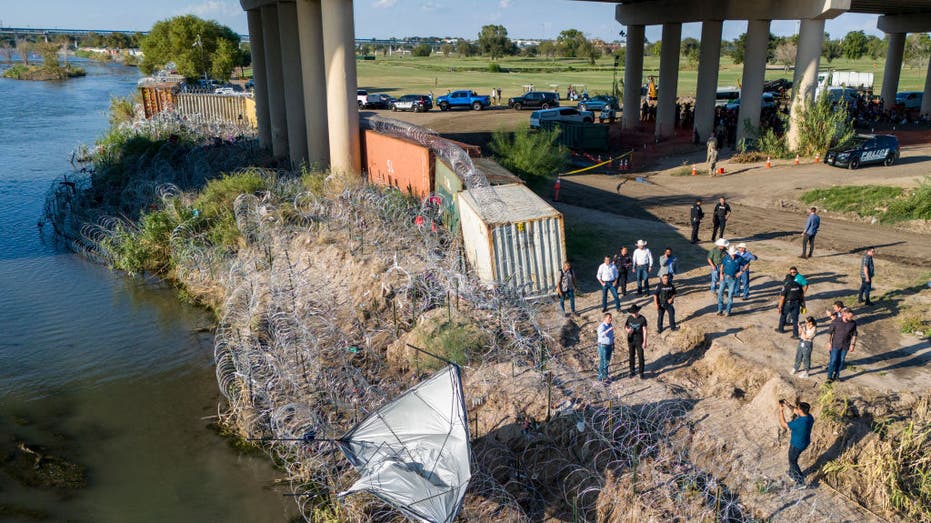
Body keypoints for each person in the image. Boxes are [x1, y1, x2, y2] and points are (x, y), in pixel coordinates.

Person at [778, 400, 814, 488]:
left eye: (798, 408)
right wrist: (787, 404)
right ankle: (791, 473)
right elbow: (795, 410)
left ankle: (800, 482)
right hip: (804, 442)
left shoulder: (799, 423)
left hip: (796, 445)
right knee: (794, 459)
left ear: (801, 411)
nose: (796, 409)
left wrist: (781, 411)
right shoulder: (809, 417)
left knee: (792, 461)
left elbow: (783, 424)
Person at [826, 308, 858, 382]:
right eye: (849, 317)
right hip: (835, 344)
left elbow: (855, 334)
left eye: (851, 317)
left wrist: (853, 344)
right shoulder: (836, 322)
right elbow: (830, 332)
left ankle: (836, 376)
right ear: (844, 314)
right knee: (833, 360)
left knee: (841, 361)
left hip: (845, 345)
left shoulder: (853, 323)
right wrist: (829, 342)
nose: (850, 318)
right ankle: (829, 377)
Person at [777, 267, 806, 338]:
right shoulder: (799, 285)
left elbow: (782, 297)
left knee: (783, 316)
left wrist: (780, 306)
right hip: (797, 303)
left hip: (788, 304)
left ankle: (781, 329)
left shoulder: (786, 286)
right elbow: (802, 296)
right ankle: (795, 335)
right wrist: (804, 305)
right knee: (795, 319)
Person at [716, 246, 743, 317]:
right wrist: (721, 274)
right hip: (724, 277)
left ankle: (728, 311)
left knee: (730, 295)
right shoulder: (726, 258)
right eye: (731, 253)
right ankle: (720, 310)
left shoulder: (739, 258)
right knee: (720, 293)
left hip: (733, 279)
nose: (732, 255)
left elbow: (747, 264)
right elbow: (722, 266)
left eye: (733, 253)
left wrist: (741, 272)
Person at [625, 303, 648, 378]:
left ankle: (641, 372)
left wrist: (644, 341)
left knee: (640, 356)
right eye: (632, 313)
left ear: (637, 311)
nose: (633, 314)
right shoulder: (629, 318)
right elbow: (625, 326)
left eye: (635, 312)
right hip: (631, 339)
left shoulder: (642, 319)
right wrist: (628, 330)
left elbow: (644, 330)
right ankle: (632, 371)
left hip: (639, 340)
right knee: (631, 355)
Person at [596, 313, 615, 383]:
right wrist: (608, 330)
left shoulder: (610, 325)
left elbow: (612, 336)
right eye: (609, 318)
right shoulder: (602, 326)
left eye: (611, 317)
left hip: (609, 345)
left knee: (607, 361)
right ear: (605, 319)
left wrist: (613, 344)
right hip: (603, 346)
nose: (610, 319)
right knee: (603, 362)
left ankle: (605, 376)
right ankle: (601, 377)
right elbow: (600, 335)